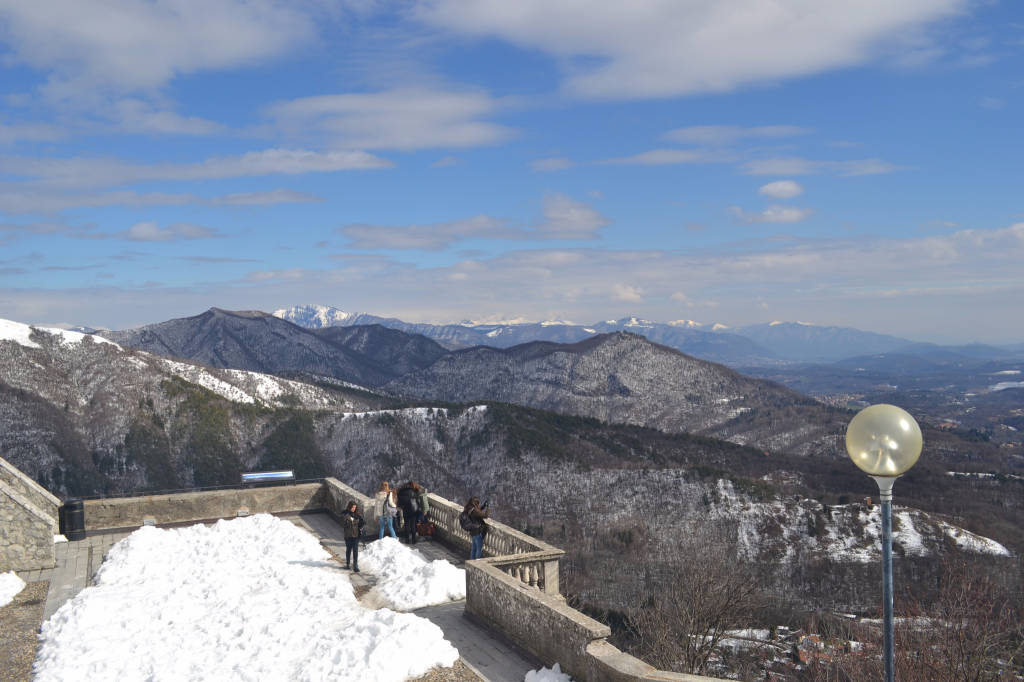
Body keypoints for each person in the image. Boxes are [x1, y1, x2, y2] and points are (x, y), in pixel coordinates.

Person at [340, 500, 365, 572]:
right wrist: (356, 521)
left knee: (355, 550)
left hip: (356, 535)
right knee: (348, 549)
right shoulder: (345, 514)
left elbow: (361, 522)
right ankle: (347, 564)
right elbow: (350, 521)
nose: (353, 509)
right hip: (348, 535)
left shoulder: (357, 515)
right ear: (349, 507)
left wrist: (361, 524)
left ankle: (355, 565)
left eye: (355, 507)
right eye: (352, 507)